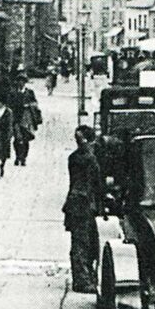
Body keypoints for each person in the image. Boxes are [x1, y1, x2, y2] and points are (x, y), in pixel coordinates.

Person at [62, 125, 103, 293]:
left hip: (75, 204)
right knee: (83, 243)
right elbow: (96, 184)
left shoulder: (74, 158)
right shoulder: (89, 159)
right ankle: (82, 280)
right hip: (83, 205)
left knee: (82, 242)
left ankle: (83, 277)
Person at [10, 73, 41, 167]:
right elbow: (9, 104)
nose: (21, 83)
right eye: (19, 81)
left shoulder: (29, 92)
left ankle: (23, 158)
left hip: (27, 119)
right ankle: (17, 156)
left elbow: (35, 103)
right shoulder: (13, 93)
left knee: (25, 139)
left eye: (23, 81)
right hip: (16, 118)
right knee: (17, 138)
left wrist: (28, 105)